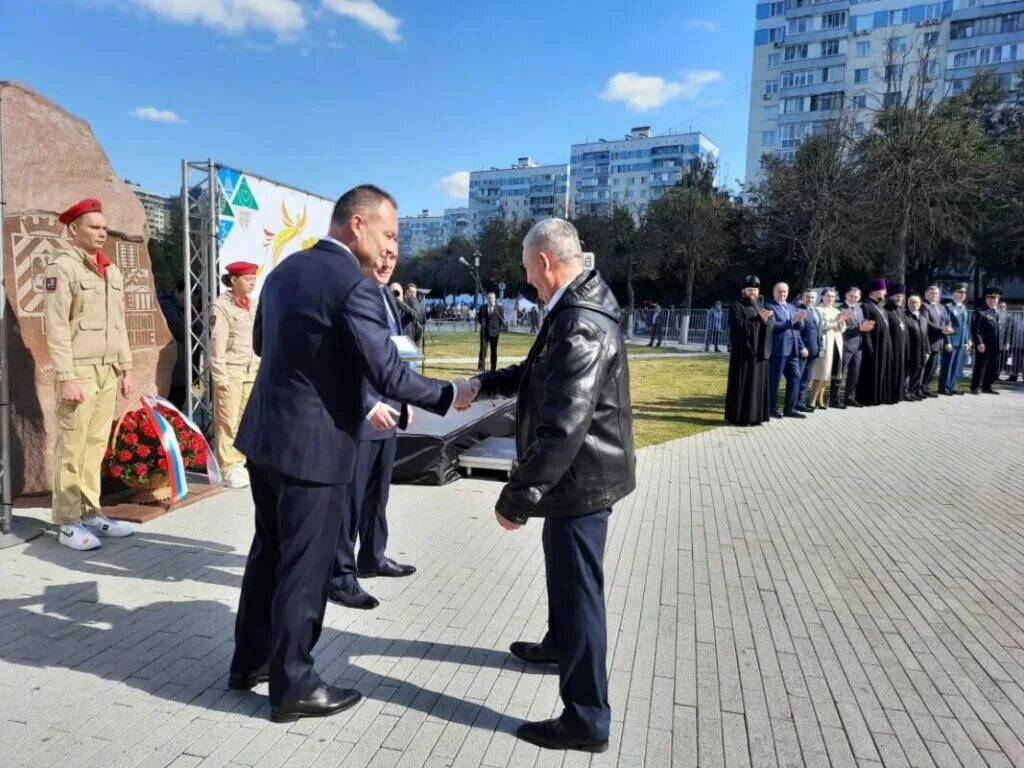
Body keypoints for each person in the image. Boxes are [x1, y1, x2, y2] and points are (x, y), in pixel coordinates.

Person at [228, 185, 475, 723]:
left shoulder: (285, 272)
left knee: (267, 553)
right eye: (389, 233)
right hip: (312, 451)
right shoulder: (353, 285)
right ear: (356, 225)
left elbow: (262, 345)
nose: (392, 247)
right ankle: (294, 683)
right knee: (304, 567)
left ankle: (249, 662)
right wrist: (447, 396)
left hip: (265, 440)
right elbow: (388, 372)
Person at [466, 218, 634, 753]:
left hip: (578, 478)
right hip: (575, 478)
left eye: (526, 269)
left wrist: (517, 495)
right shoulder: (574, 304)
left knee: (579, 592)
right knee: (565, 579)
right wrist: (483, 383)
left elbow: (565, 423)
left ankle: (586, 719)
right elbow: (541, 371)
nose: (526, 281)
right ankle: (560, 644)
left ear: (543, 262)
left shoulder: (580, 318)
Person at [329, 238, 417, 612]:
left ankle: (373, 557)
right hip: (362, 414)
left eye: (392, 258)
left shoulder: (387, 298)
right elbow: (344, 358)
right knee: (350, 499)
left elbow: (397, 352)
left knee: (378, 494)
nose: (385, 264)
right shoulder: (354, 295)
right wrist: (369, 403)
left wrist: (405, 398)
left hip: (390, 411)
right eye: (381, 256)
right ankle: (340, 576)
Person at [43, 198, 134, 551]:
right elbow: (57, 327)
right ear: (73, 229)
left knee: (95, 446)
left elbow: (119, 324)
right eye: (94, 227)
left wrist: (125, 369)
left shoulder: (111, 270)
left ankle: (91, 512)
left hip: (108, 369)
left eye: (104, 227)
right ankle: (67, 522)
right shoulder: (62, 268)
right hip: (78, 370)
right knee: (72, 446)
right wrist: (66, 376)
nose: (102, 232)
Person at [210, 262, 260, 489]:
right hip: (231, 370)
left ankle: (239, 461)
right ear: (233, 280)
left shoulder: (252, 305)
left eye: (253, 278)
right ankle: (228, 466)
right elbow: (216, 344)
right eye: (247, 279)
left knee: (243, 419)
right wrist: (220, 376)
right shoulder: (222, 307)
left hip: (250, 369)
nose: (252, 282)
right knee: (227, 420)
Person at [724, 276, 774, 426]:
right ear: (743, 290)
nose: (752, 292)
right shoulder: (737, 306)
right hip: (743, 355)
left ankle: (755, 417)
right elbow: (738, 327)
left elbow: (766, 326)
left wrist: (766, 321)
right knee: (743, 386)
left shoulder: (759, 306)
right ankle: (740, 417)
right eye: (750, 289)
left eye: (755, 290)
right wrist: (758, 319)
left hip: (758, 354)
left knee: (756, 387)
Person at [766, 282, 808, 418]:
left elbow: (797, 329)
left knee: (795, 377)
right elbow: (773, 326)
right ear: (773, 292)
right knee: (775, 380)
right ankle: (770, 408)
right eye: (779, 291)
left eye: (784, 291)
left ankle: (789, 409)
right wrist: (792, 321)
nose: (782, 294)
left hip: (793, 350)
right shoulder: (769, 306)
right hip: (779, 349)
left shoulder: (791, 307)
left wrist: (800, 321)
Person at [831, 287, 871, 408]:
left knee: (854, 373)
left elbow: (861, 324)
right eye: (851, 296)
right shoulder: (840, 309)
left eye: (856, 297)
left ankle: (849, 398)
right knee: (839, 373)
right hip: (844, 345)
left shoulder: (859, 309)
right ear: (846, 296)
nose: (853, 299)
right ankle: (834, 399)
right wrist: (858, 329)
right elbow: (839, 329)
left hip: (858, 346)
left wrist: (866, 326)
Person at [857, 279, 893, 407]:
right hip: (873, 346)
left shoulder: (880, 307)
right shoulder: (865, 306)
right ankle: (868, 398)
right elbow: (865, 329)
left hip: (883, 345)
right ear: (875, 291)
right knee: (870, 373)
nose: (885, 293)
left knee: (881, 371)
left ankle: (879, 396)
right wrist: (869, 347)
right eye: (883, 291)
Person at [810, 288, 845, 409]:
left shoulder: (836, 310)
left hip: (836, 343)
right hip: (825, 344)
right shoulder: (818, 310)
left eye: (833, 296)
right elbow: (821, 326)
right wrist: (835, 323)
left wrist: (841, 323)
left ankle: (820, 400)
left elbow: (843, 328)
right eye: (828, 296)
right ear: (823, 297)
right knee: (821, 373)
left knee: (828, 374)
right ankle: (812, 400)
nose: (830, 299)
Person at [158, 280, 188, 409]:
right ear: (177, 291)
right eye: (187, 294)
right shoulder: (166, 305)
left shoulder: (183, 308)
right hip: (173, 366)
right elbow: (178, 328)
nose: (190, 299)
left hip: (183, 367)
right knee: (172, 402)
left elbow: (200, 330)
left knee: (180, 400)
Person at [970, 287, 1003, 395]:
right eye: (991, 297)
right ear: (986, 298)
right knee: (980, 366)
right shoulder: (980, 312)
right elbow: (976, 330)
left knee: (992, 367)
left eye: (996, 298)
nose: (994, 300)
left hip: (996, 345)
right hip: (984, 345)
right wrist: (979, 343)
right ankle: (976, 387)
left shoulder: (998, 312)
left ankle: (987, 386)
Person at [919, 285, 950, 398]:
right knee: (926, 367)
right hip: (929, 341)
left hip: (939, 342)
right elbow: (926, 322)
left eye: (936, 293)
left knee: (933, 367)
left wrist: (948, 327)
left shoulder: (941, 307)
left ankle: (925, 386)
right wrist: (941, 329)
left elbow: (947, 320)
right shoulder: (924, 306)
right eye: (932, 293)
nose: (934, 295)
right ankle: (920, 387)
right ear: (926, 294)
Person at [939, 284, 970, 395]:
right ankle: (944, 387)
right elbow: (947, 325)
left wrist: (967, 341)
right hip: (952, 341)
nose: (963, 295)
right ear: (953, 294)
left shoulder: (963, 308)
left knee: (957, 366)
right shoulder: (949, 307)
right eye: (960, 292)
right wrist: (948, 341)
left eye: (964, 293)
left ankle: (951, 386)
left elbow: (965, 326)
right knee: (947, 366)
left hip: (961, 341)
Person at [794, 289, 821, 413]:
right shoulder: (800, 311)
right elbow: (797, 332)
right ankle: (795, 403)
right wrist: (801, 347)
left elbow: (818, 332)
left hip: (814, 352)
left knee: (806, 379)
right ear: (802, 297)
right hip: (803, 352)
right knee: (799, 378)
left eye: (813, 297)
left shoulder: (816, 312)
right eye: (807, 297)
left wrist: (820, 347)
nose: (810, 300)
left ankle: (800, 402)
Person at [884, 285, 908, 404]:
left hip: (901, 348)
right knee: (890, 372)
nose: (900, 298)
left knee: (899, 372)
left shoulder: (901, 311)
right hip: (891, 348)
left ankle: (898, 394)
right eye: (897, 296)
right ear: (891, 296)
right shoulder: (886, 311)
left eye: (902, 296)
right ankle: (889, 395)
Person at [905, 294, 929, 399]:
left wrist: (928, 350)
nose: (914, 305)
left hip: (922, 350)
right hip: (910, 349)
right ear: (907, 303)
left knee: (919, 370)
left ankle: (915, 390)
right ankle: (906, 392)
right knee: (908, 372)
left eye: (916, 302)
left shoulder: (923, 318)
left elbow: (926, 335)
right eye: (911, 302)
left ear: (920, 304)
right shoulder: (904, 317)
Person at [477, 291, 506, 371]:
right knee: (483, 350)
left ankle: (493, 368)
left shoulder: (499, 308)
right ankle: (481, 367)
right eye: (489, 298)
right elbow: (478, 318)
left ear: (495, 299)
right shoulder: (483, 307)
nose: (490, 299)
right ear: (487, 299)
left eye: (492, 298)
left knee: (494, 350)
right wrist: (483, 325)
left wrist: (498, 328)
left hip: (495, 333)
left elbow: (501, 320)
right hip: (484, 332)